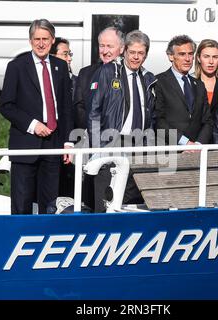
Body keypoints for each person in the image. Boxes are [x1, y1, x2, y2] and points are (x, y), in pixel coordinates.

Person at [0, 19, 73, 214]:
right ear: (30, 40)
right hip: (25, 145)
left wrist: (68, 143)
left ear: (52, 40)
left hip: (53, 145)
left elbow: (66, 108)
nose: (41, 44)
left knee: (50, 205)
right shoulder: (16, 66)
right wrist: (33, 125)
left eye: (45, 39)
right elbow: (6, 106)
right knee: (21, 205)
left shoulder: (60, 66)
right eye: (36, 39)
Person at [87, 30, 156, 212]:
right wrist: (97, 147)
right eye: (132, 52)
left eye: (140, 53)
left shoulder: (148, 78)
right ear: (124, 50)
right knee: (104, 202)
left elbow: (150, 116)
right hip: (110, 142)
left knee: (128, 203)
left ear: (146, 55)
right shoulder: (108, 71)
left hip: (137, 146)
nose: (135, 57)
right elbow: (94, 111)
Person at [72, 26, 125, 210]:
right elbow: (79, 107)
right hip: (91, 145)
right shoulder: (86, 73)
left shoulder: (126, 73)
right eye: (101, 46)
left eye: (110, 46)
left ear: (122, 48)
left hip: (121, 145)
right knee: (91, 199)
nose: (105, 51)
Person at [155, 35, 213, 147]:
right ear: (171, 56)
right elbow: (159, 121)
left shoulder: (199, 85)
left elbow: (207, 121)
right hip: (170, 150)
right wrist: (185, 142)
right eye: (182, 54)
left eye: (190, 54)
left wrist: (198, 144)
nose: (187, 59)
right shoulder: (159, 82)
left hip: (197, 151)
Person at [50, 37, 77, 198]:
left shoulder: (77, 81)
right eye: (65, 54)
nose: (69, 58)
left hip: (72, 143)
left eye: (70, 53)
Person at [194, 39, 218, 121]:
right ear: (198, 58)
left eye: (215, 57)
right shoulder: (190, 82)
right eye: (206, 57)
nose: (211, 61)